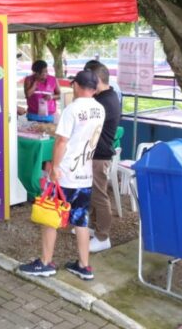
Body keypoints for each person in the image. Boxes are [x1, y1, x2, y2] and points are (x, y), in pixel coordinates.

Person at [19, 70, 105, 280]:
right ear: (94, 88)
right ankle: (84, 266)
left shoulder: (72, 109)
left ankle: (46, 263)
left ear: (75, 86)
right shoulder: (100, 109)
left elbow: (61, 141)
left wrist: (54, 167)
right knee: (81, 220)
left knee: (50, 217)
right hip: (84, 174)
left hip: (65, 173)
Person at [83, 61, 121, 252]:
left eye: (88, 81)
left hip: (100, 154)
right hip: (96, 153)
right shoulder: (108, 96)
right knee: (93, 194)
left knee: (99, 195)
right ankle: (94, 227)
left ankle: (103, 236)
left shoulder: (104, 101)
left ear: (97, 80)